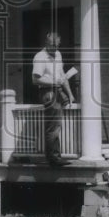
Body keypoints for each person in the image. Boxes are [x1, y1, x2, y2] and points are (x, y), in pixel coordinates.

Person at [32, 32, 75, 166]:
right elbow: (35, 79)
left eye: (57, 45)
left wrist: (70, 94)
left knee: (57, 125)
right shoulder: (40, 57)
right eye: (52, 45)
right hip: (48, 92)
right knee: (53, 126)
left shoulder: (58, 54)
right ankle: (53, 158)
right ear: (46, 43)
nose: (55, 48)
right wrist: (53, 83)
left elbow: (62, 75)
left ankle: (55, 156)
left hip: (59, 90)